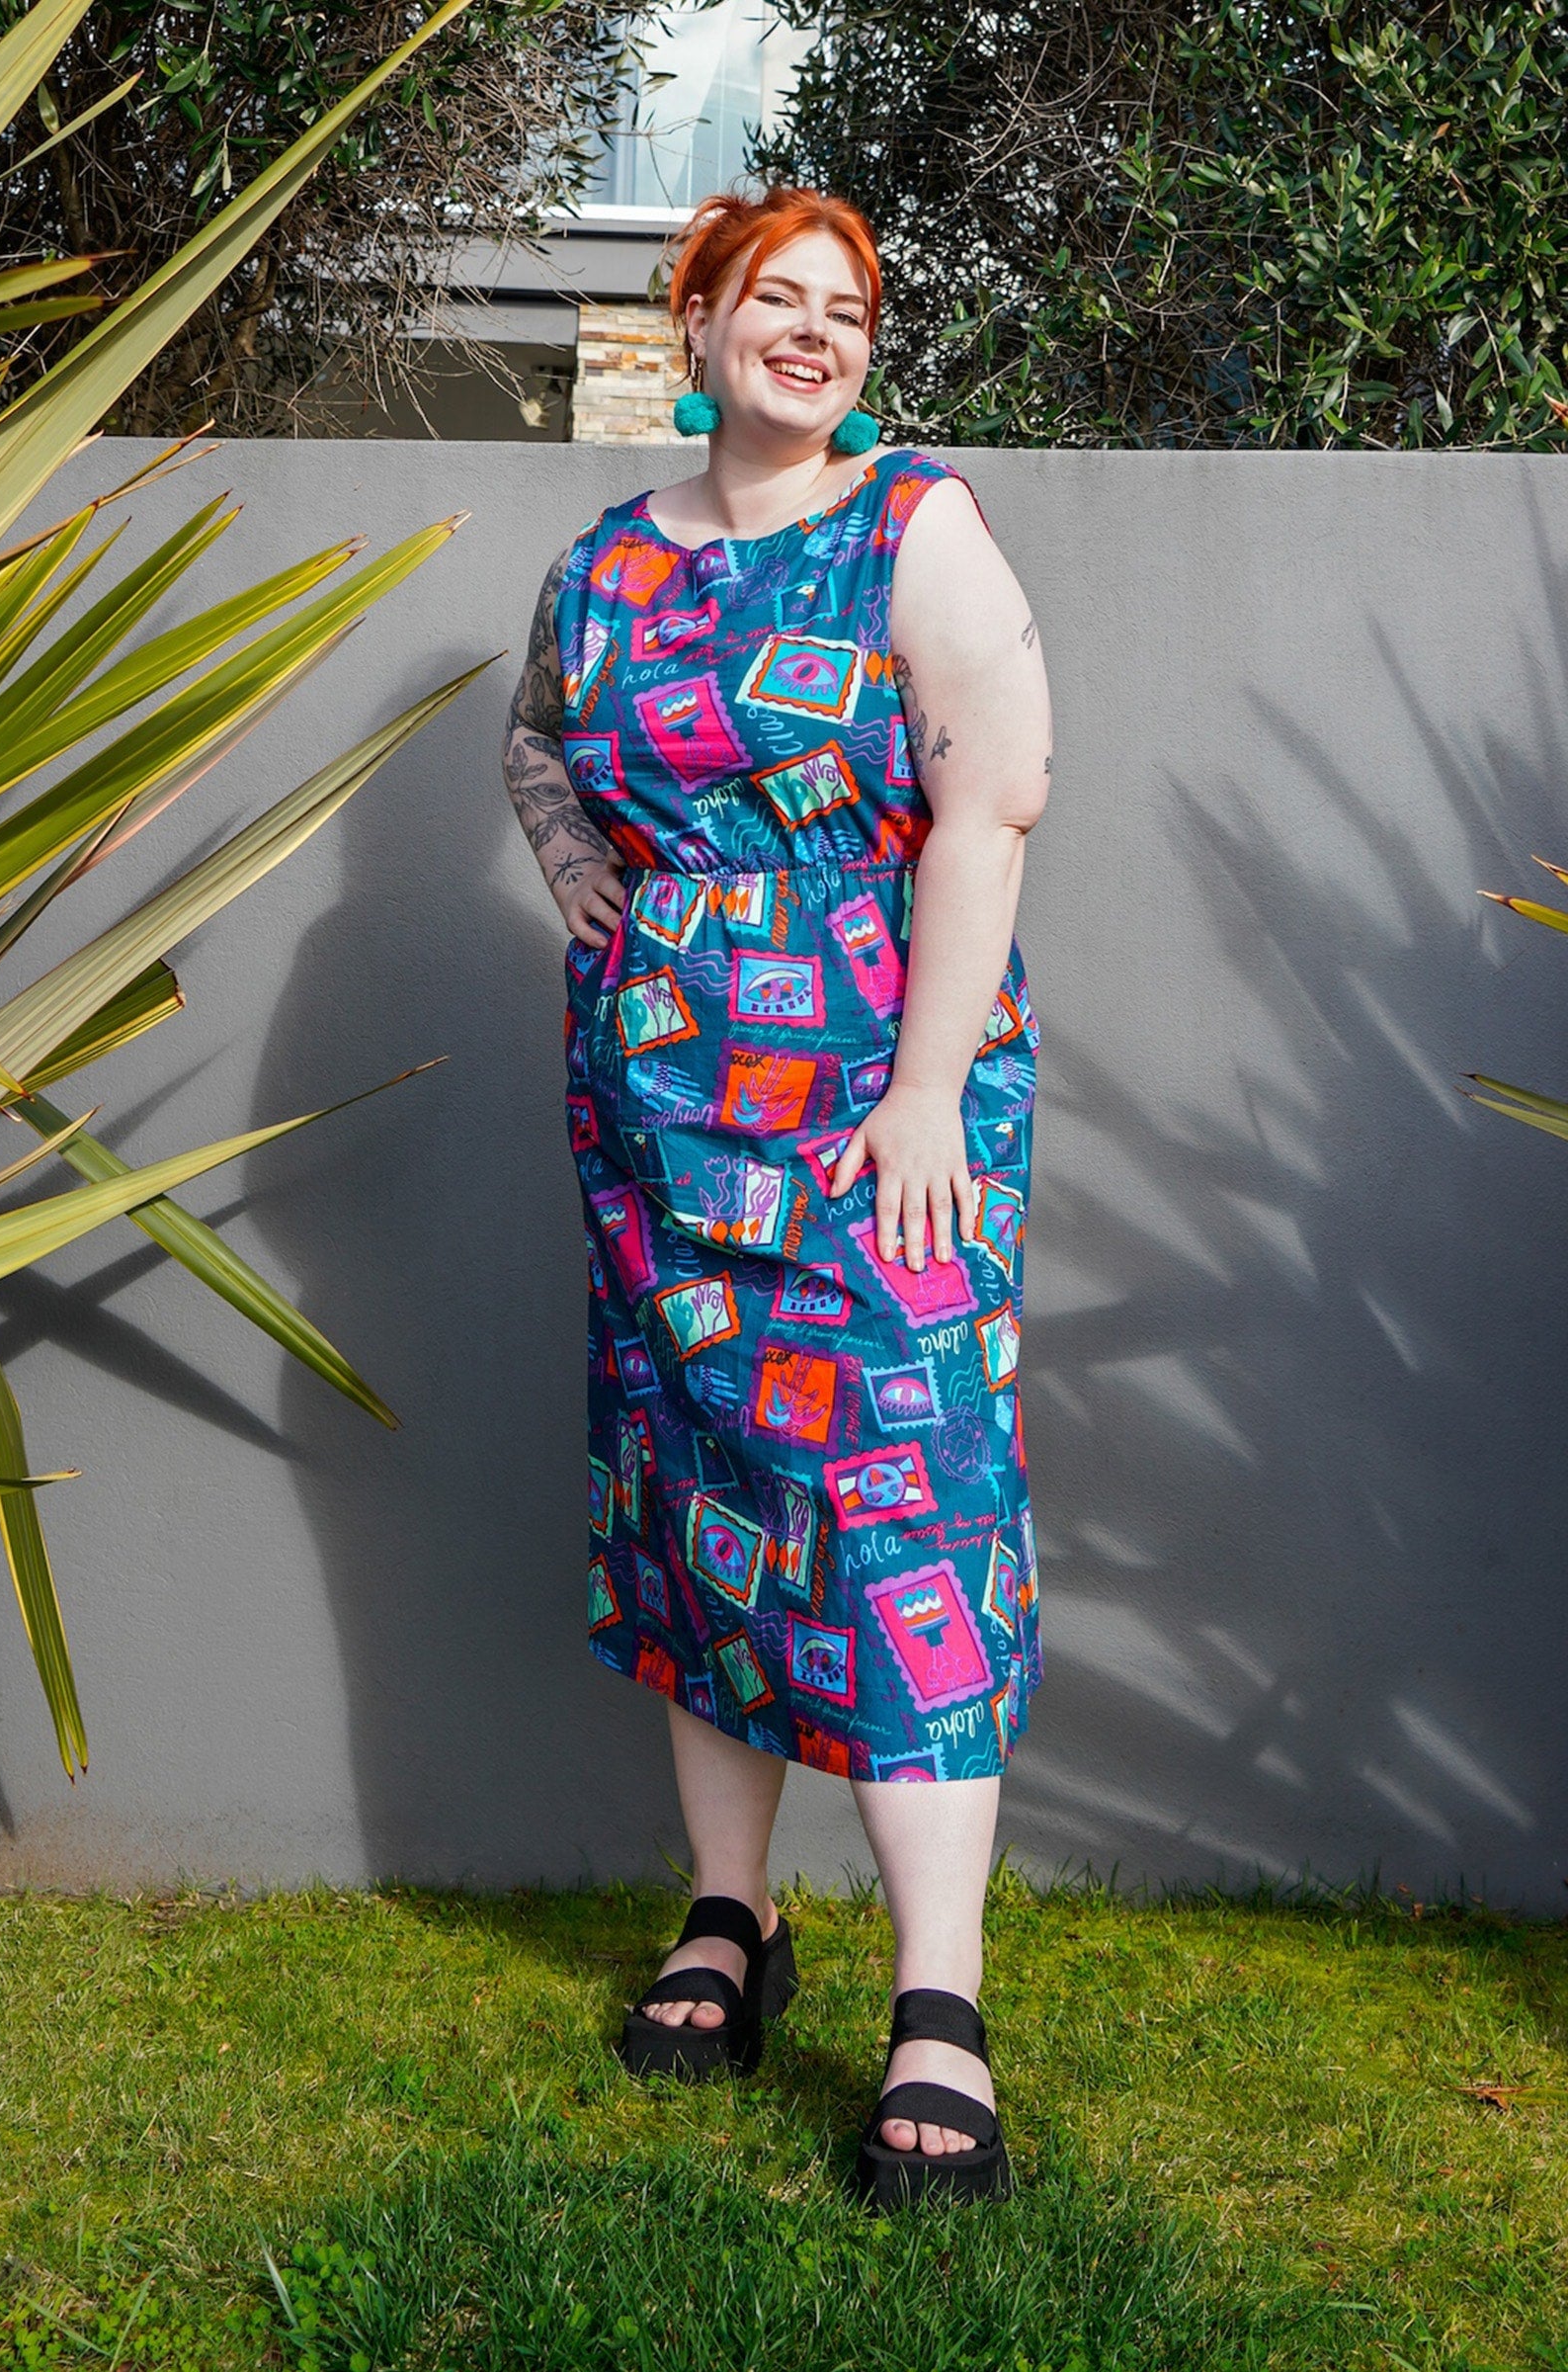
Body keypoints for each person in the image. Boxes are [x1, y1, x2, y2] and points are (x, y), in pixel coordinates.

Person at [502, 183, 1051, 2210]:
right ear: (700, 320)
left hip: (876, 1114)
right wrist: (584, 881)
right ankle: (726, 1921)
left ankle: (938, 2007)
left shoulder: (912, 525)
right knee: (695, 1493)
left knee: (909, 1503)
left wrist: (926, 1095)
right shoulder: (604, 564)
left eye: (846, 310)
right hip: (658, 1120)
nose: (813, 332)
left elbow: (992, 801)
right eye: (776, 298)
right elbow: (536, 744)